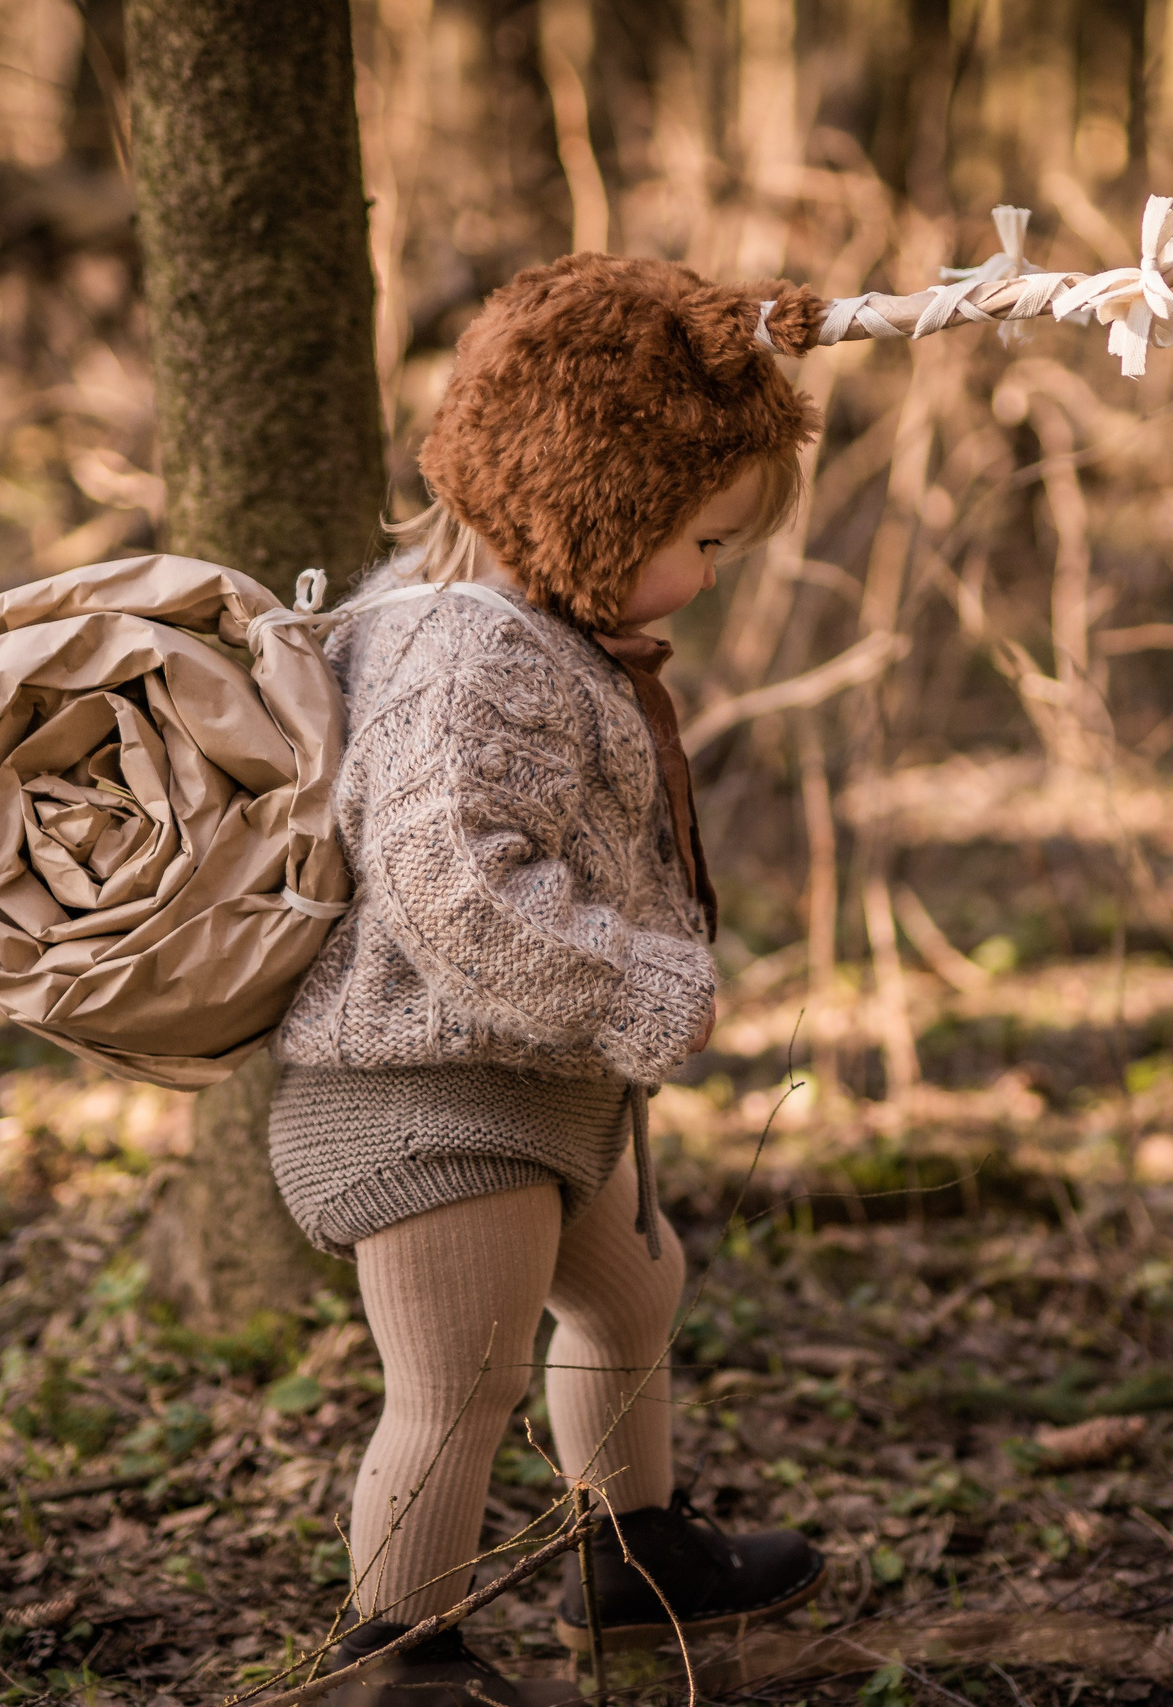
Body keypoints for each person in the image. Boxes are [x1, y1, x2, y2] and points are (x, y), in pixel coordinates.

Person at [266, 253, 835, 1705]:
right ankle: (396, 1657)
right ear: (596, 510)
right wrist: (642, 983)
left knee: (635, 1297)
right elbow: (454, 884)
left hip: (530, 1084)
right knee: (457, 1381)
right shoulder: (468, 658)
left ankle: (627, 1563)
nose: (709, 576)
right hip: (424, 1096)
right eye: (700, 540)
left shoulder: (537, 629)